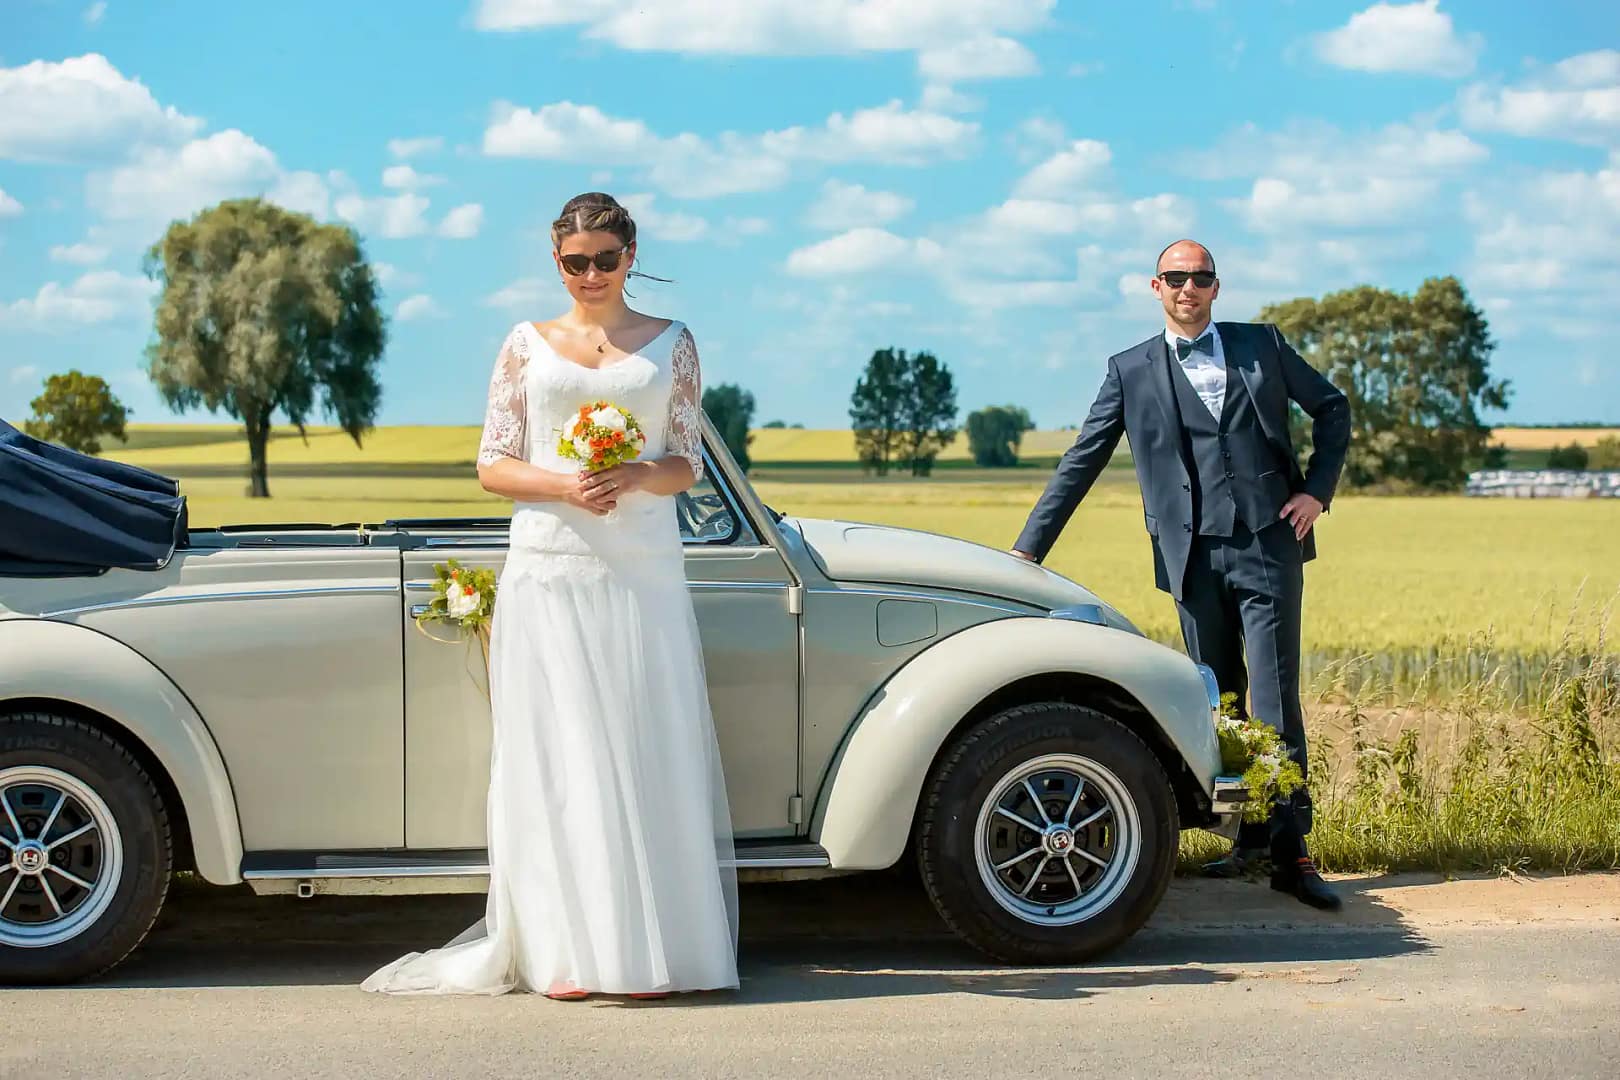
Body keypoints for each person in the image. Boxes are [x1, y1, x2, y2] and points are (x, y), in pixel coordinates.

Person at [362, 192, 739, 998]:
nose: (592, 274)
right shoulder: (524, 346)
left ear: (631, 255)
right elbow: (494, 462)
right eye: (576, 262)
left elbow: (687, 460)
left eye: (606, 258)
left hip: (641, 568)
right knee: (560, 756)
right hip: (550, 565)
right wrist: (568, 486)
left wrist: (639, 473)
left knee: (643, 746)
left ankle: (650, 953)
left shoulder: (674, 344)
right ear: (555, 262)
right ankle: (567, 954)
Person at [1010, 240, 1350, 911]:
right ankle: (1247, 838)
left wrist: (1316, 490)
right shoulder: (1130, 369)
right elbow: (1082, 458)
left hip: (1267, 544)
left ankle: (1292, 850)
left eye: (1199, 278)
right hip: (1191, 558)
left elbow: (1333, 408)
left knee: (1274, 701)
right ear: (1155, 287)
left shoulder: (1264, 346)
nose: (1187, 288)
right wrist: (1026, 551)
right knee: (1219, 702)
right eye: (1175, 278)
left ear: (1216, 289)